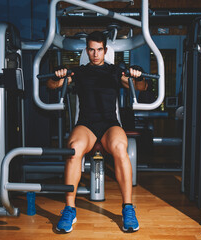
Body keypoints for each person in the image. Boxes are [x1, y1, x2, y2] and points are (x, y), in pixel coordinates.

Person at [46, 31, 148, 233]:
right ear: (86, 50)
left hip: (110, 124)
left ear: (105, 50)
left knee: (120, 147)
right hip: (86, 124)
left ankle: (128, 209)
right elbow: (52, 85)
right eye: (91, 50)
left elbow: (140, 87)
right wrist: (56, 75)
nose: (95, 54)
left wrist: (138, 75)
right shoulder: (79, 72)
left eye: (99, 50)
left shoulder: (115, 72)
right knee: (74, 149)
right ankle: (69, 209)